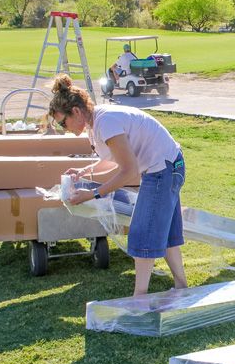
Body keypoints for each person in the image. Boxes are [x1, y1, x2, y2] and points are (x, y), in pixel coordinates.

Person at [48, 74, 188, 297]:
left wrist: (92, 195)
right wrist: (84, 171)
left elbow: (128, 171)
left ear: (75, 111)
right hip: (168, 166)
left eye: (63, 122)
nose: (64, 127)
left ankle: (139, 298)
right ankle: (181, 286)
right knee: (166, 232)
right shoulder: (96, 123)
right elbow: (115, 159)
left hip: (164, 169)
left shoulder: (106, 122)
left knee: (143, 232)